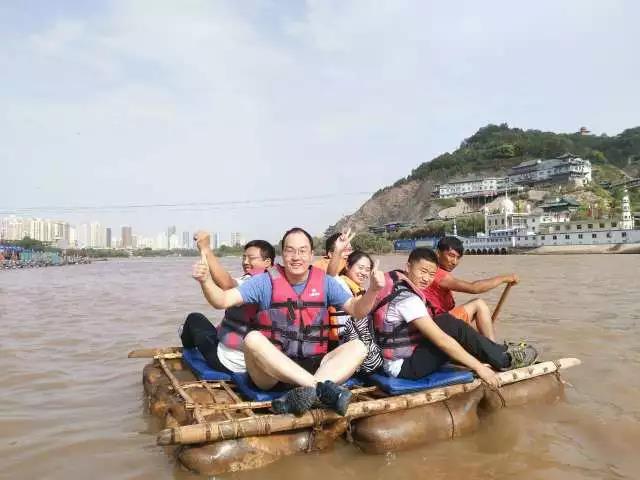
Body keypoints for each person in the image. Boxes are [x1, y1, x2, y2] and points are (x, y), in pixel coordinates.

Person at [191, 227, 385, 416]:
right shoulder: (264, 282)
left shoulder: (325, 282)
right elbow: (222, 300)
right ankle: (318, 389)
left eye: (302, 251)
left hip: (315, 366)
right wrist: (205, 281)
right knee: (252, 338)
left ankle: (301, 394)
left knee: (359, 347)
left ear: (311, 254)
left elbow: (357, 310)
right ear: (282, 254)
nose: (296, 257)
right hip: (271, 375)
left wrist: (373, 290)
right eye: (290, 250)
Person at [371, 247, 538, 387]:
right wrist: (479, 368)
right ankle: (504, 360)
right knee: (451, 327)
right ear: (408, 267)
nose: (426, 278)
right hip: (404, 368)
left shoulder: (392, 280)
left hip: (394, 360)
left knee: (445, 321)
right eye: (422, 271)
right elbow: (442, 340)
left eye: (431, 274)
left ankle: (496, 352)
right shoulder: (408, 300)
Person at [180, 232, 275, 374]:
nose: (245, 262)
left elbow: (227, 284)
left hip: (230, 362)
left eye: (251, 258)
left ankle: (186, 343)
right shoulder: (276, 283)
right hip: (258, 362)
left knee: (194, 318)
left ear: (267, 262)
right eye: (244, 257)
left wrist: (205, 249)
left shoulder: (253, 283)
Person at [423, 236, 518, 341]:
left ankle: (488, 345)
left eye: (458, 258)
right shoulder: (437, 273)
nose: (454, 262)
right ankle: (493, 348)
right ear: (438, 253)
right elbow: (474, 288)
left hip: (439, 322)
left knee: (475, 329)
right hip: (436, 326)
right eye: (451, 256)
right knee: (479, 304)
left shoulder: (434, 271)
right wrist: (505, 278)